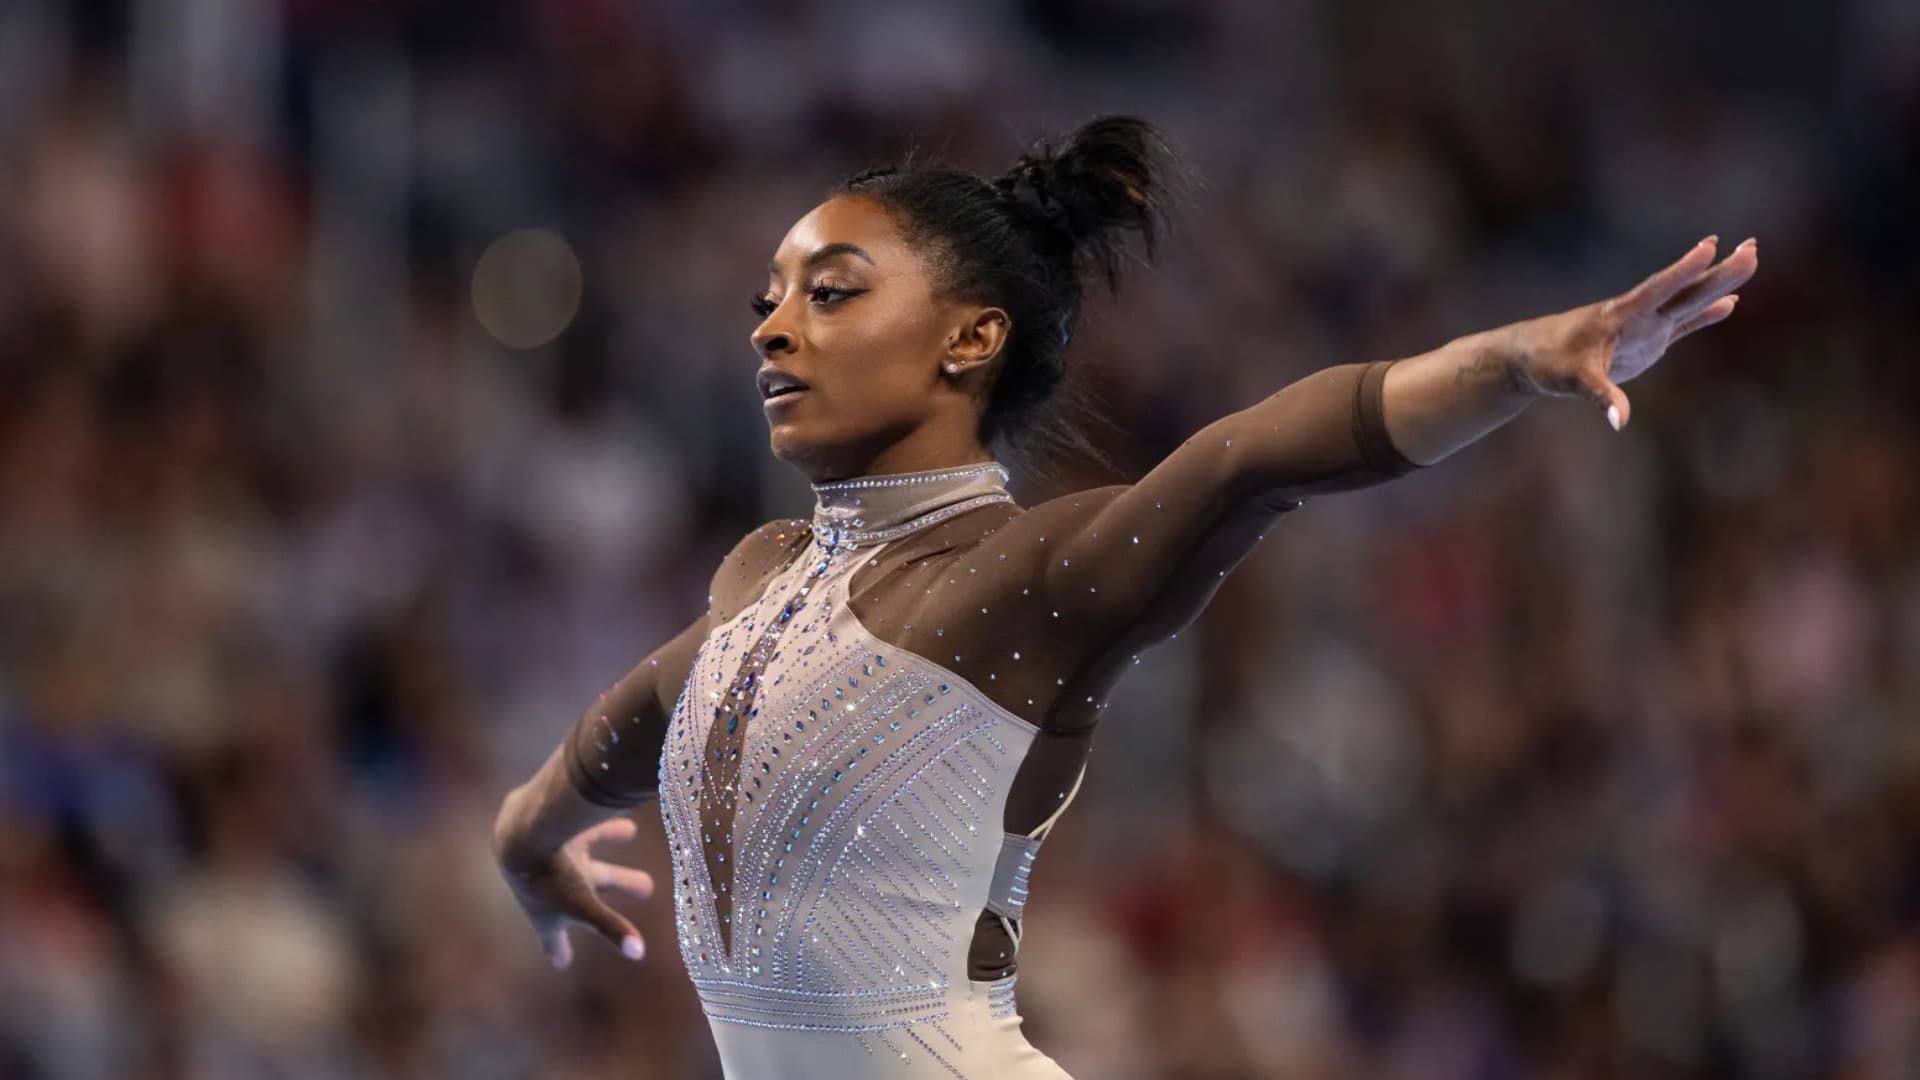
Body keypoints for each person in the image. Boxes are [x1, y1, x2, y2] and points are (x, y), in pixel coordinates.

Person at [491, 115, 1757, 1078]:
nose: (773, 329)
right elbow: (639, 720)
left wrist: (1523, 357)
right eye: (769, 301)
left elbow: (1257, 454)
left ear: (969, 339)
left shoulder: (1018, 581)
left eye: (830, 295)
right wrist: (532, 830)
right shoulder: (760, 577)